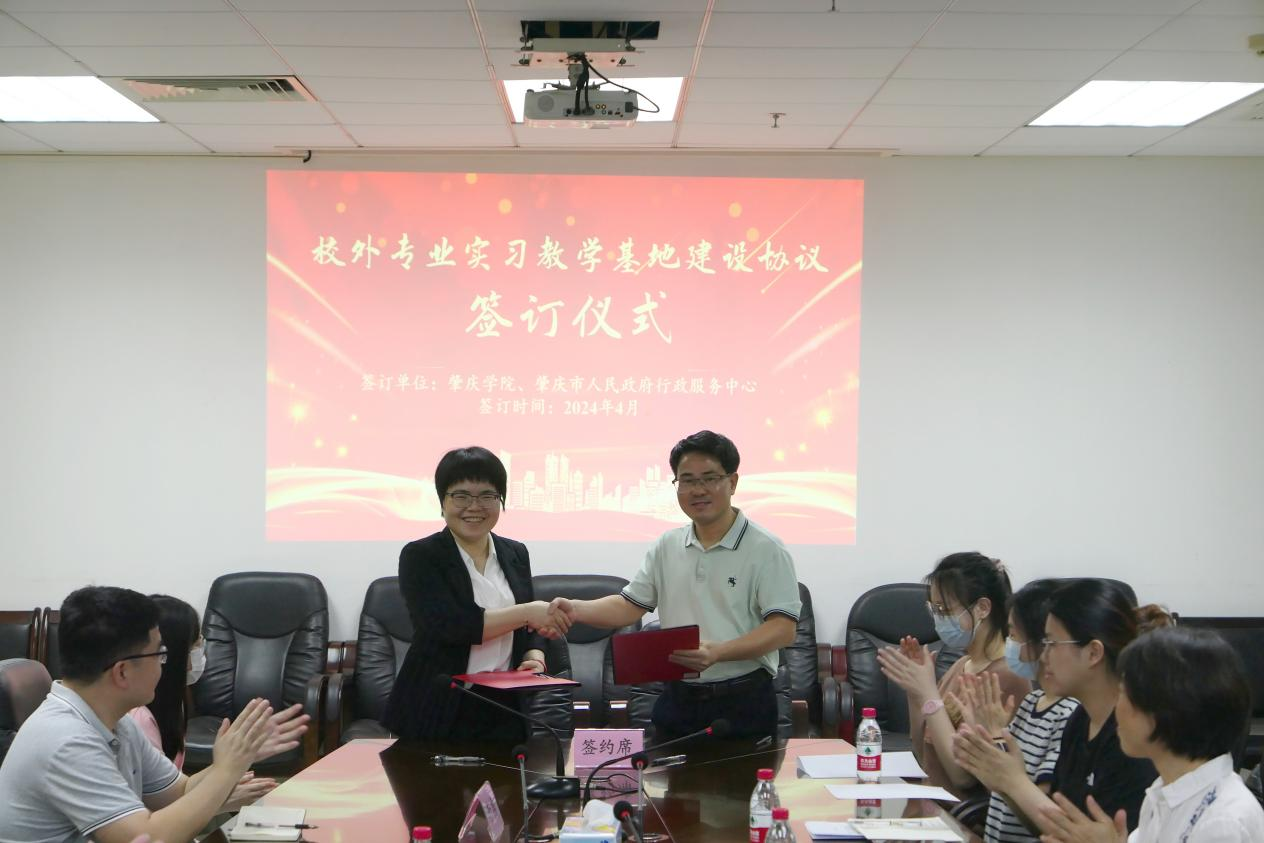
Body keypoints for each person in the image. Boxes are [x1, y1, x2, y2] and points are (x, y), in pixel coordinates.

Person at [546, 430, 801, 742]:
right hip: (679, 697)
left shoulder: (766, 549)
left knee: (743, 775)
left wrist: (719, 653)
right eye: (687, 480)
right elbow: (629, 606)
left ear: (732, 482)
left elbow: (783, 629)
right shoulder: (667, 545)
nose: (698, 490)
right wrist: (576, 609)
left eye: (710, 478)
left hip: (744, 699)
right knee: (669, 774)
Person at [0, 586, 278, 843]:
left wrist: (237, 755)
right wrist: (225, 770)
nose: (163, 665)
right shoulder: (67, 740)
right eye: (159, 654)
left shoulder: (117, 721)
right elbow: (147, 839)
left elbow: (178, 792)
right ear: (122, 672)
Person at [952, 579, 1172, 835]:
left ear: (1093, 653)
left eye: (1052, 644)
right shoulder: (1080, 720)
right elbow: (1049, 829)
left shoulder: (1129, 738)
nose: (1044, 657)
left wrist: (1013, 780)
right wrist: (1005, 781)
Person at [381, 446, 567, 741]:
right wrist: (526, 612)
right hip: (438, 708)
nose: (474, 506)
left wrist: (535, 655)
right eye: (461, 495)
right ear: (442, 501)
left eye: (487, 496)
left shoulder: (515, 553)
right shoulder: (421, 555)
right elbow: (449, 625)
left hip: (504, 709)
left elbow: (531, 627)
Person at [1039, 626, 1264, 842]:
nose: (1117, 707)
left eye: (1123, 693)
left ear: (1164, 711)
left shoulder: (1221, 823)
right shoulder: (1163, 790)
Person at [876, 552, 1032, 799]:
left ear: (982, 608)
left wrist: (928, 692)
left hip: (960, 814)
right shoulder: (962, 665)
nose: (939, 619)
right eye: (935, 609)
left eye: (945, 609)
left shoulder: (1006, 676)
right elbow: (923, 753)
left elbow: (962, 777)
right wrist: (915, 691)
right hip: (932, 804)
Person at [125, 595, 308, 803]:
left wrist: (236, 760)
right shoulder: (139, 719)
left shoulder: (170, 703)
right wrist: (220, 798)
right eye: (195, 645)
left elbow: (175, 788)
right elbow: (152, 811)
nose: (200, 653)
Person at [946, 578, 1080, 843]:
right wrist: (981, 740)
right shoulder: (1032, 702)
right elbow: (1000, 787)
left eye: (1013, 635)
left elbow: (1040, 816)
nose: (1009, 643)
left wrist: (996, 738)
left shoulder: (1067, 714)